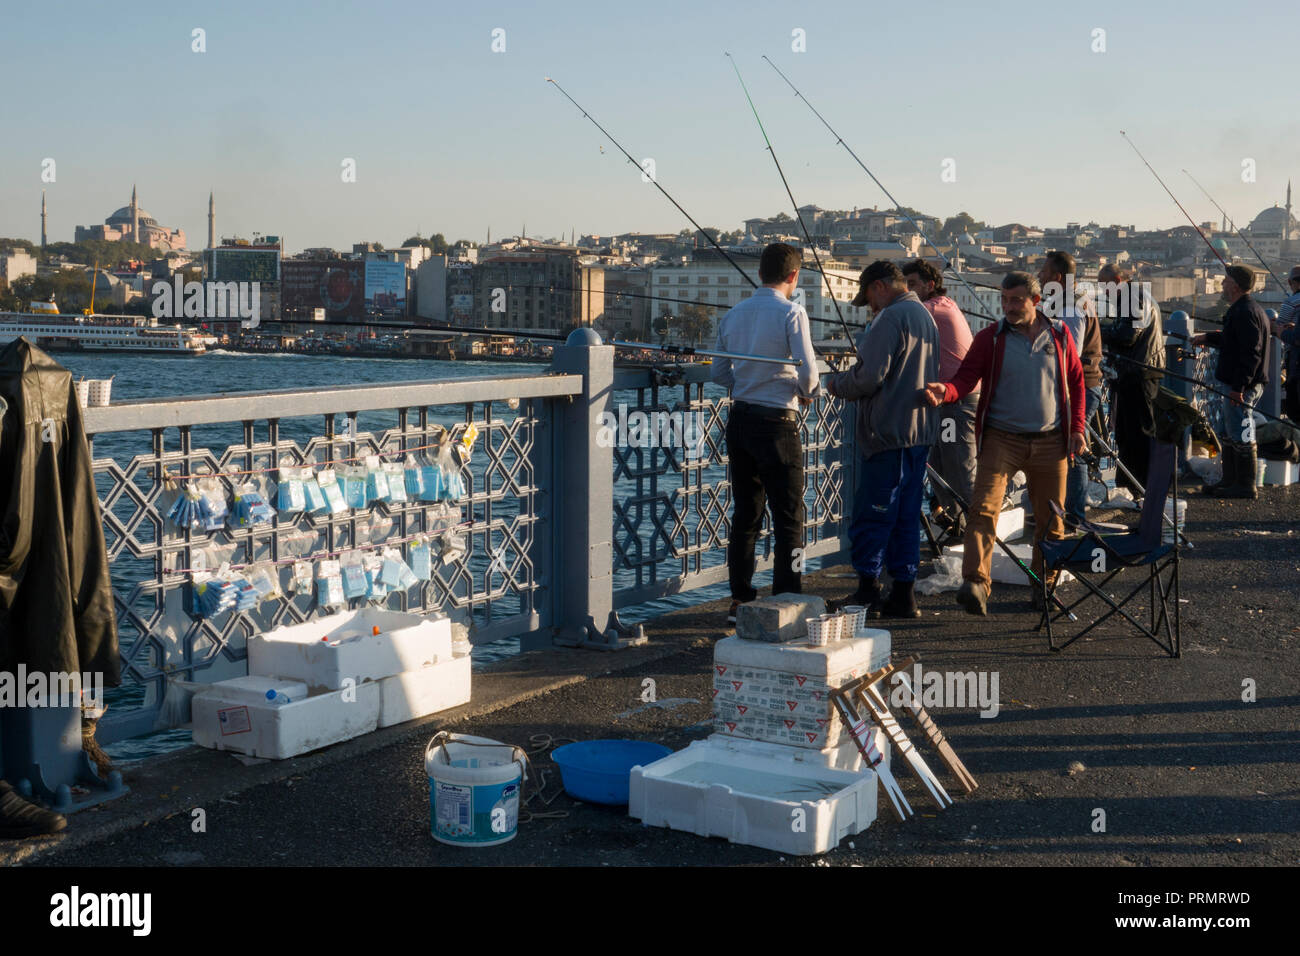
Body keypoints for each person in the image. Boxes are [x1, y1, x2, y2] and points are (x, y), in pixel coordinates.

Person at [923, 272, 1086, 616]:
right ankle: (976, 584)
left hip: (1050, 442)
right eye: (1005, 299)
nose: (1008, 307)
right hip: (1001, 438)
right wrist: (947, 391)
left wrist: (1078, 428)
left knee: (1051, 521)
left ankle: (1044, 587)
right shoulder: (990, 338)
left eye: (1016, 300)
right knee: (982, 510)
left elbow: (1077, 381)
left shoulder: (1059, 335)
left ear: (1035, 301)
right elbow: (967, 377)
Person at [711, 242, 821, 625]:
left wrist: (748, 380)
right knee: (789, 516)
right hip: (778, 424)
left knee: (746, 515)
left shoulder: (735, 313)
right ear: (794, 276)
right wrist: (803, 392)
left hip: (740, 421)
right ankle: (787, 598)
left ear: (760, 273)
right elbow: (808, 375)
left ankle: (740, 600)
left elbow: (719, 373)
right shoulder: (793, 313)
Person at [827, 260, 940, 618]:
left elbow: (868, 378)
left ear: (879, 287)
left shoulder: (891, 317)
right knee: (906, 516)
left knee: (873, 515)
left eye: (869, 299)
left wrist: (834, 384)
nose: (870, 307)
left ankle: (868, 592)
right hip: (917, 432)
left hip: (888, 433)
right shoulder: (924, 314)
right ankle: (903, 595)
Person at [901, 259, 977, 535]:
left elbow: (900, 323)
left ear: (929, 285)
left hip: (956, 400)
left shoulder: (930, 309)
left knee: (959, 471)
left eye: (912, 284)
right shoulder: (945, 304)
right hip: (947, 399)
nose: (907, 290)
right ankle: (959, 529)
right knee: (940, 468)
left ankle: (978, 536)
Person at [1191, 265, 1271, 499]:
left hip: (1242, 385)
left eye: (1225, 282)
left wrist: (1239, 388)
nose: (1222, 285)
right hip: (1241, 383)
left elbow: (1251, 353)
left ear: (1235, 285)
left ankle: (1245, 485)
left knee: (1241, 431)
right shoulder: (1248, 309)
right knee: (1230, 431)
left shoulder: (1245, 312)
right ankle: (1230, 480)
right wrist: (1208, 337)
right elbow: (1233, 340)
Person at [1039, 250, 1103, 526]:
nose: (1039, 276)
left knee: (1073, 446)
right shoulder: (1069, 300)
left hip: (1080, 388)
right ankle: (1066, 510)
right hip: (1081, 387)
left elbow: (1070, 356)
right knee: (1072, 444)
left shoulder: (1071, 307)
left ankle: (1075, 515)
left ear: (1056, 277)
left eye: (1043, 272)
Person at [1098, 263, 1164, 495]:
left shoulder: (1131, 296)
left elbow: (1127, 336)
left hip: (1139, 372)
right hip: (1141, 371)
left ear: (1116, 281)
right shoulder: (1136, 295)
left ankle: (1140, 487)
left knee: (1137, 433)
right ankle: (1131, 486)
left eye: (1103, 284)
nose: (1102, 290)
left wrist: (1096, 332)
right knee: (1129, 433)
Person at [1270, 265, 1300, 422]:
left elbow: (1278, 327)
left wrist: (1279, 329)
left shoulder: (1291, 302)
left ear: (1290, 282)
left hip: (1295, 360)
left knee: (1294, 408)